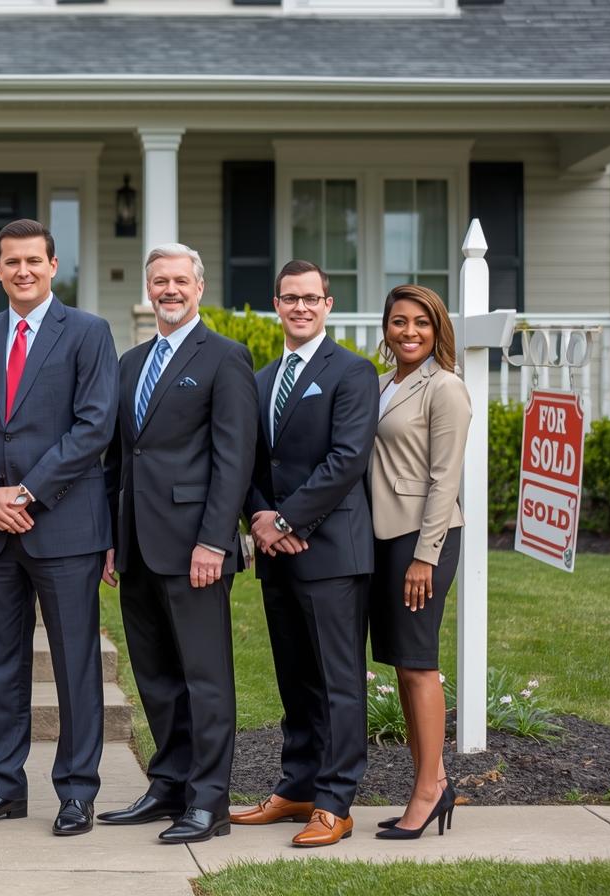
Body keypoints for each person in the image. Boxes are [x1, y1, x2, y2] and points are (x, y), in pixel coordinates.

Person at [0, 218, 118, 837]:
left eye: (33, 261)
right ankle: (3, 787)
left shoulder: (90, 333)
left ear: (53, 266)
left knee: (75, 665)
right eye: (11, 262)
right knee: (0, 665)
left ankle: (76, 792)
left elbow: (95, 425)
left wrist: (30, 491)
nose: (22, 271)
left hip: (65, 526)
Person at [98, 245, 255, 845]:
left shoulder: (223, 357)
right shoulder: (131, 362)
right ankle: (169, 784)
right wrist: (114, 540)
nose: (169, 289)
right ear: (148, 288)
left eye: (179, 280)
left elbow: (234, 457)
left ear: (200, 285)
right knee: (157, 676)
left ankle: (209, 801)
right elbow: (121, 457)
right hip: (137, 545)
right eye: (159, 281)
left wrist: (214, 541)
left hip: (196, 548)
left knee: (204, 675)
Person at [231, 260, 378, 848]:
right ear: (276, 303)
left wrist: (288, 519)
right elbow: (246, 459)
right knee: (294, 676)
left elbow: (347, 459)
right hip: (277, 552)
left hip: (332, 551)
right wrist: (262, 520)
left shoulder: (352, 372)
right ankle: (297, 786)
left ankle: (336, 801)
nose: (300, 307)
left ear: (328, 303)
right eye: (290, 298)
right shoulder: (262, 378)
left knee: (338, 679)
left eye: (311, 298)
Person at [367, 284, 470, 840]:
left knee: (418, 664)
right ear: (386, 327)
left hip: (422, 541)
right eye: (399, 321)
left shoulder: (446, 388)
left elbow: (444, 478)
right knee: (402, 666)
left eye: (421, 323)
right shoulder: (382, 384)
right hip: (384, 538)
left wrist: (424, 558)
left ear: (437, 330)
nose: (409, 332)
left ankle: (428, 792)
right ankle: (435, 780)